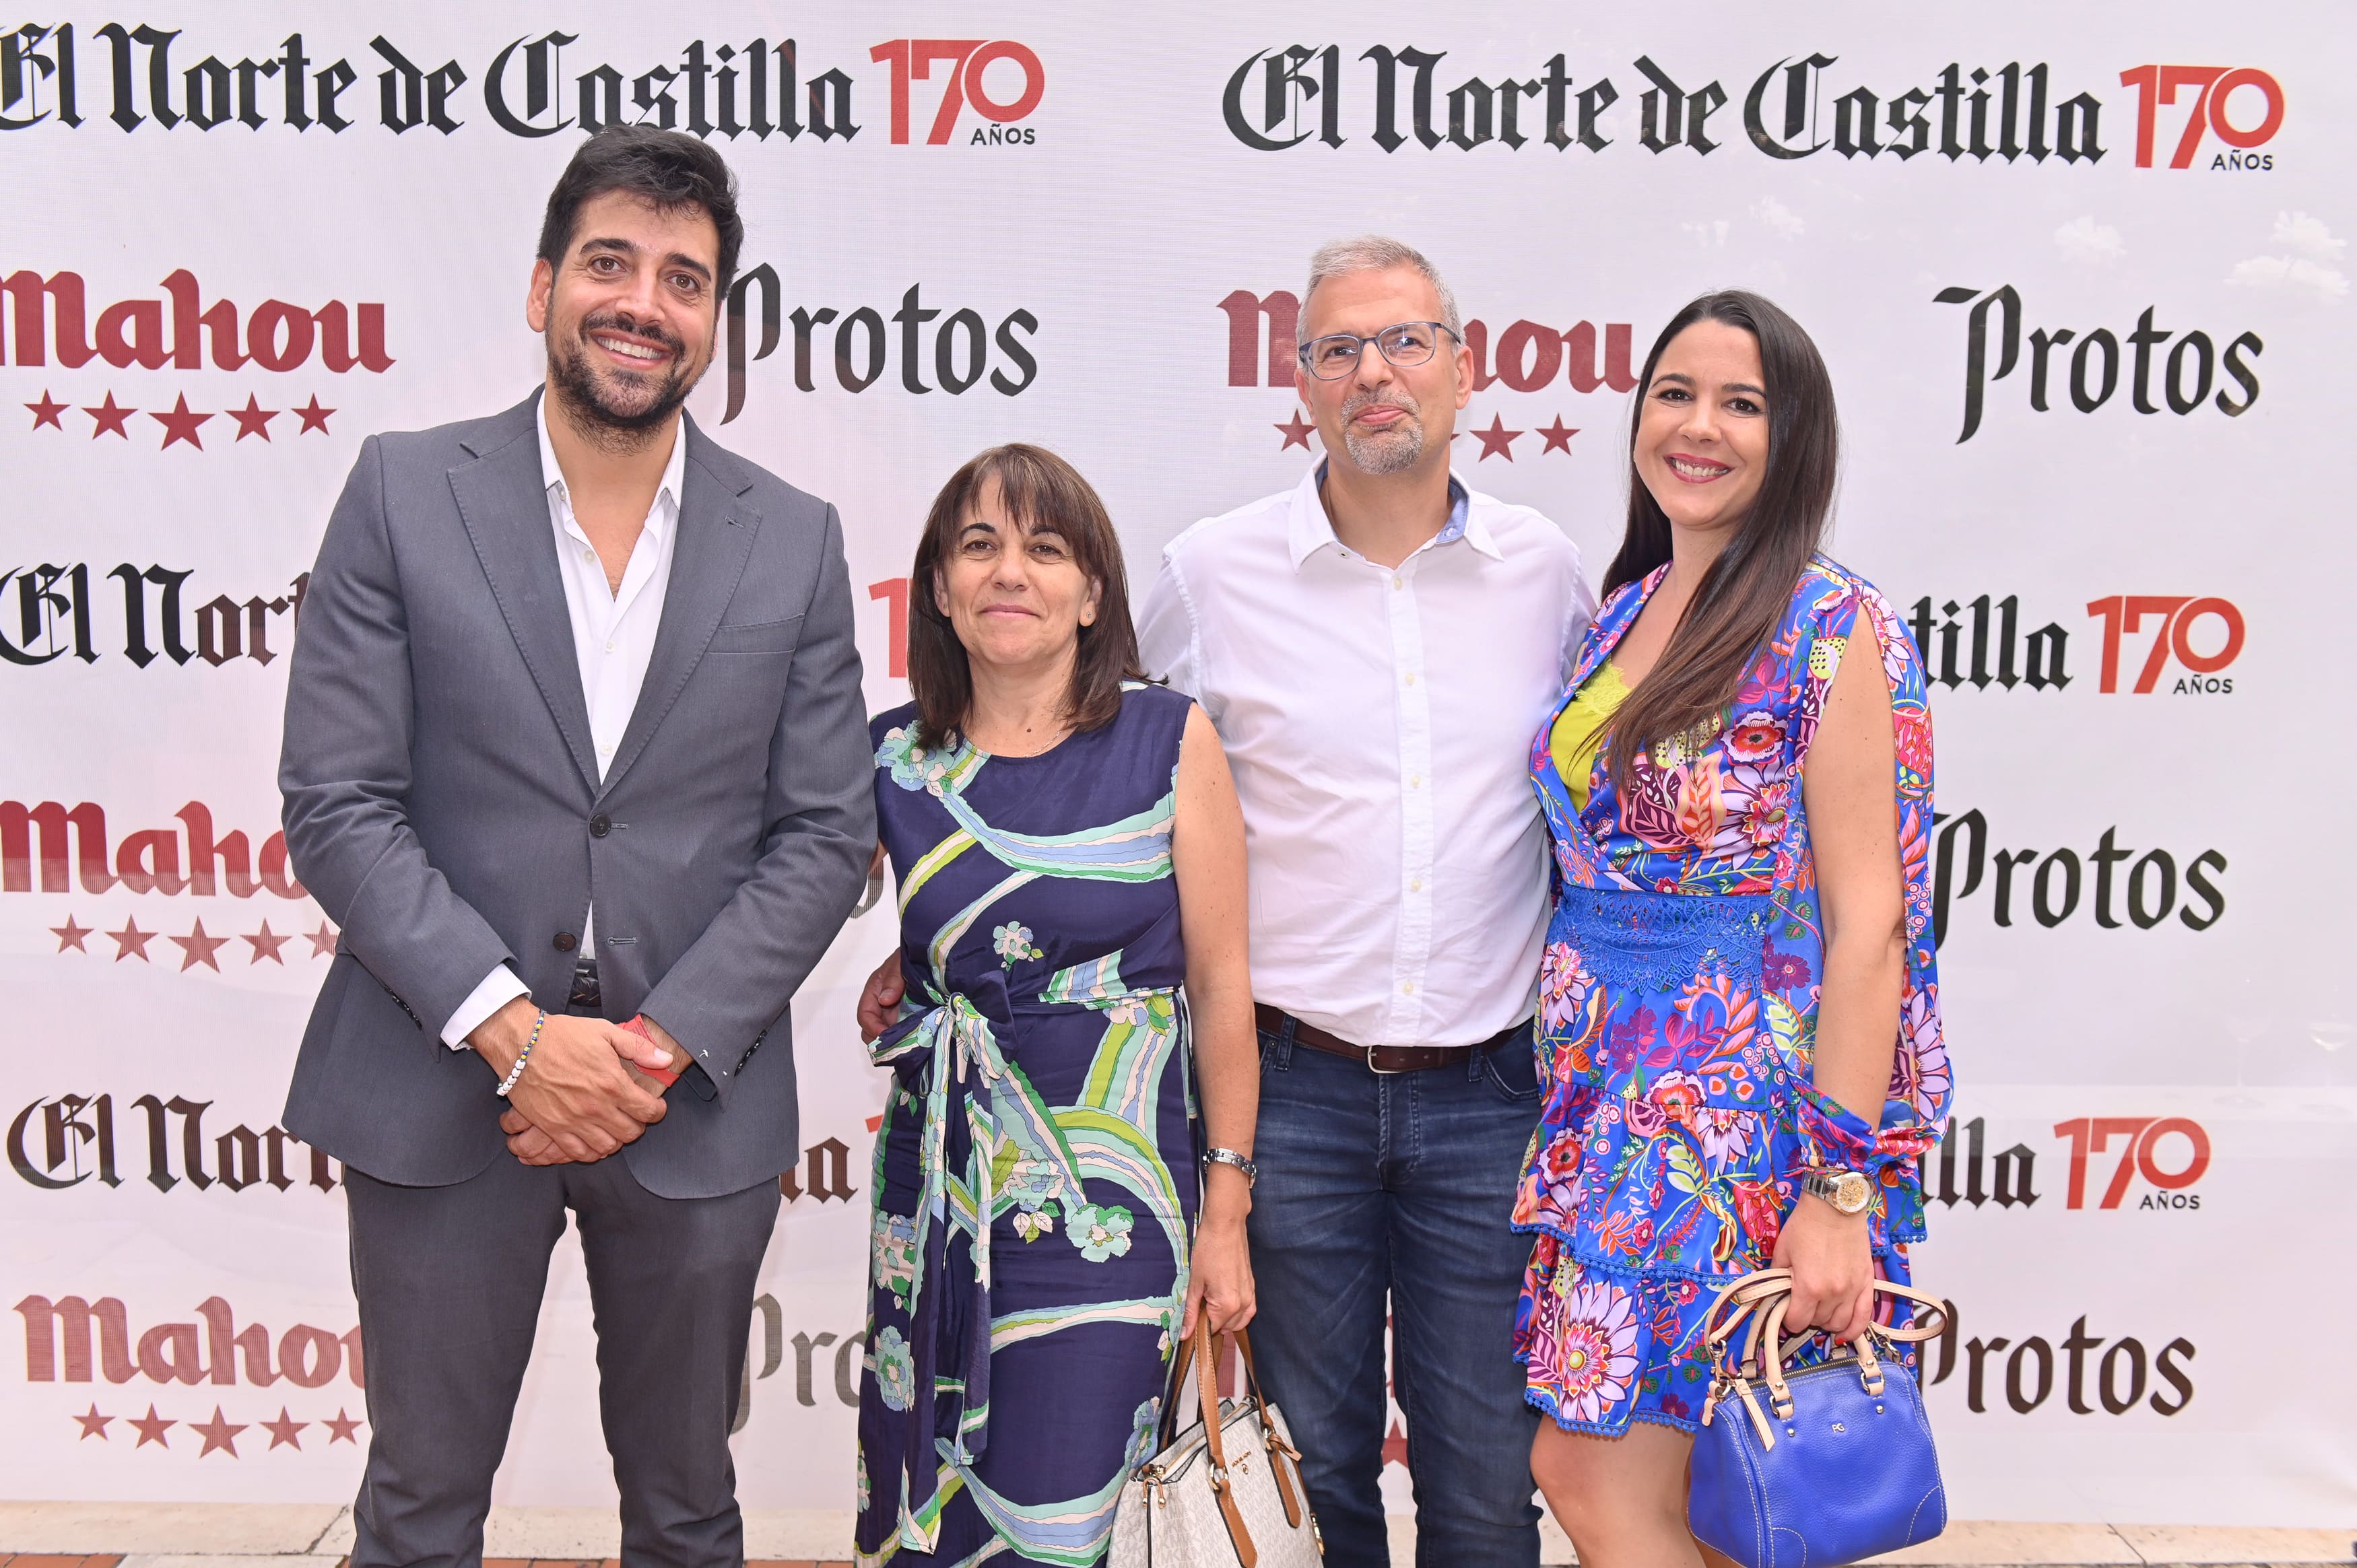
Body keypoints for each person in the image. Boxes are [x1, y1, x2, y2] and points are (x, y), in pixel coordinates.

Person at [857, 238, 1593, 1565]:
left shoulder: (1548, 573)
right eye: (1338, 349)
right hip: (1286, 1099)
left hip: (1491, 1096)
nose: (1375, 373)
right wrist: (961, 939)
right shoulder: (1212, 571)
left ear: (1465, 366)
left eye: (1406, 340)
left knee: (1487, 1491)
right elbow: (1086, 758)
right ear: (1299, 380)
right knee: (1306, 1483)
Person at [277, 125, 875, 1568]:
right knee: (420, 1508)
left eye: (683, 277)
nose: (642, 301)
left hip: (693, 1102)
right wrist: (514, 1035)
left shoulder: (789, 538)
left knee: (686, 1511)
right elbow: (338, 797)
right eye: (610, 263)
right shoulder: (403, 489)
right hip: (439, 1081)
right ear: (544, 284)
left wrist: (648, 1050)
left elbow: (823, 833)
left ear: (714, 320)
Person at [1512, 289, 1952, 1567]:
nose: (1699, 427)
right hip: (1603, 1097)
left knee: (1592, 1468)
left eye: (1741, 404)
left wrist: (1836, 1188)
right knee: (1718, 1502)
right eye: (1675, 394)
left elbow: (1873, 926)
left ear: (1794, 438)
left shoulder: (1834, 627)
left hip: (1729, 1109)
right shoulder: (1623, 608)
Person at [854, 445, 1260, 1566]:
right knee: (934, 1508)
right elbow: (801, 906)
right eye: (978, 545)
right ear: (938, 585)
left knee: (1081, 1517)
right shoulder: (891, 756)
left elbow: (1225, 988)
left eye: (1045, 547)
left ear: (1092, 591)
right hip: (938, 1191)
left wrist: (1226, 1214)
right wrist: (898, 973)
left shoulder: (1166, 738)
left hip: (1112, 1201)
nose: (1009, 571)